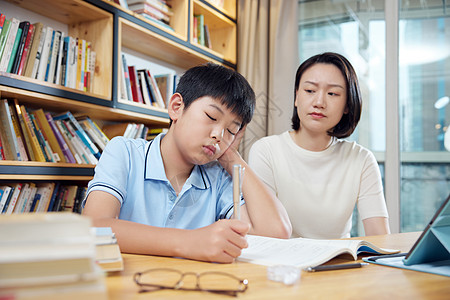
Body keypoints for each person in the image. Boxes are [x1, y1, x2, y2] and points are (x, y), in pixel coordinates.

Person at [82, 63, 292, 263]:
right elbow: (94, 227)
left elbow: (276, 231)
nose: (218, 135)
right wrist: (189, 241)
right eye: (211, 116)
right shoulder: (124, 152)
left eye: (231, 131)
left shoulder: (218, 177)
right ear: (176, 107)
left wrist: (231, 156)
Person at [248, 52, 390, 239]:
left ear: (347, 105)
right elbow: (264, 232)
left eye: (333, 93)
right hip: (283, 265)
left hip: (339, 264)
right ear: (296, 97)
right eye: (310, 91)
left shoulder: (361, 159)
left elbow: (379, 237)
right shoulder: (266, 151)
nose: (319, 102)